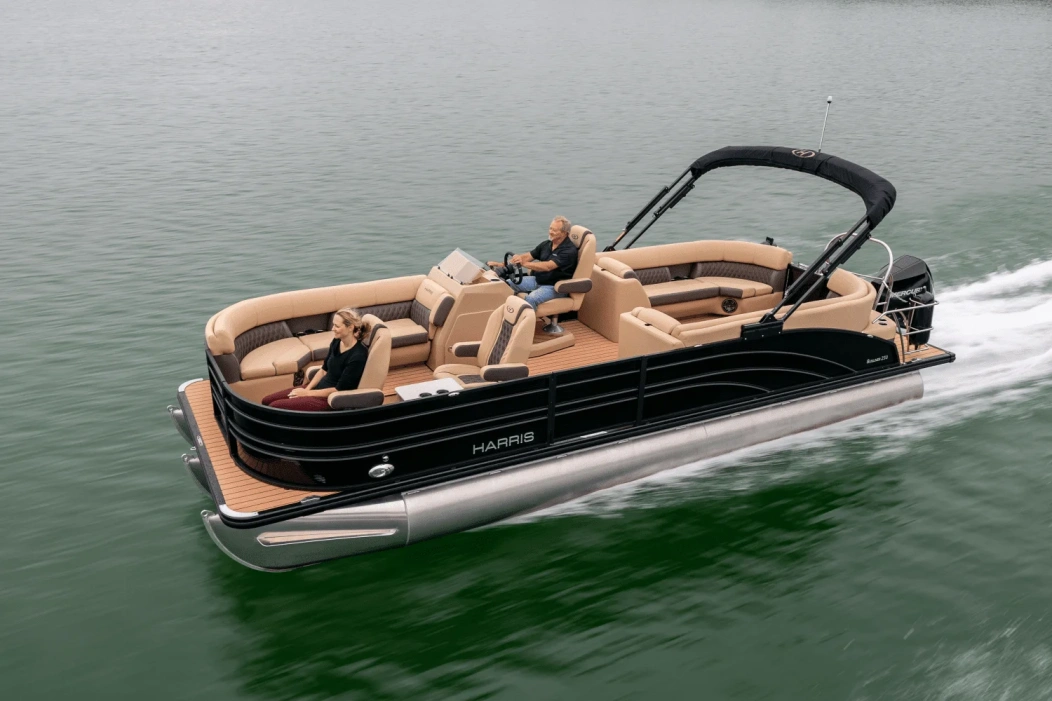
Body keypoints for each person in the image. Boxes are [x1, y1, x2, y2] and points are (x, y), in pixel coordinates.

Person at [261, 307, 369, 411]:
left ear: (350, 327)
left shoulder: (358, 356)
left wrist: (307, 394)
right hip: (315, 390)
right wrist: (306, 389)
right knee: (266, 401)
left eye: (337, 326)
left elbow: (339, 390)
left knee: (274, 407)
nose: (332, 329)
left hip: (328, 399)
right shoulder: (336, 342)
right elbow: (323, 371)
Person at [488, 215, 578, 310]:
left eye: (554, 230)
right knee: (506, 285)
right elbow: (527, 256)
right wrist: (502, 264)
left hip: (555, 287)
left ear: (564, 233)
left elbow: (548, 266)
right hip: (538, 280)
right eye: (550, 228)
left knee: (531, 298)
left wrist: (523, 263)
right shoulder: (546, 244)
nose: (550, 232)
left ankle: (526, 319)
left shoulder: (569, 251)